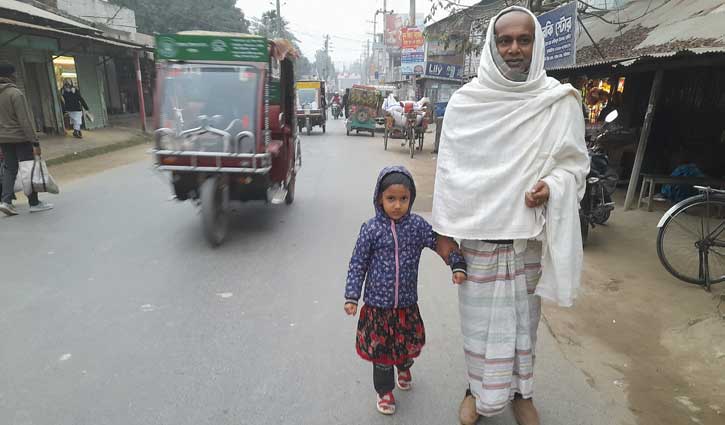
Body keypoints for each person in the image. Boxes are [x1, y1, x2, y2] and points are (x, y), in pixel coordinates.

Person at [431, 7, 589, 425]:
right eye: (505, 40)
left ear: (536, 44)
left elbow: (575, 166)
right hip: (479, 240)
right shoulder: (467, 103)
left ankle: (522, 393)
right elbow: (450, 172)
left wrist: (552, 186)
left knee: (524, 324)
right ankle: (475, 390)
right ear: (493, 45)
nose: (514, 48)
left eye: (524, 40)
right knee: (478, 325)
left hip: (527, 239)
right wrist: (444, 233)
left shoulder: (558, 100)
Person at [344, 166, 467, 416]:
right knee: (382, 353)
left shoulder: (416, 226)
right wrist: (352, 296)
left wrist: (457, 263)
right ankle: (385, 392)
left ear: (410, 199)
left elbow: (439, 241)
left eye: (403, 199)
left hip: (406, 305)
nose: (397, 205)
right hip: (378, 308)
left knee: (404, 346)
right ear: (380, 198)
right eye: (391, 199)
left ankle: (404, 366)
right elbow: (358, 263)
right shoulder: (371, 230)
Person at [0, 63, 54, 216]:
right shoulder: (15, 93)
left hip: (3, 139)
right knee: (28, 169)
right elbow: (25, 120)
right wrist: (34, 140)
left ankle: (6, 202)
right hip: (20, 138)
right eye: (15, 74)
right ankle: (34, 202)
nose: (16, 76)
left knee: (9, 169)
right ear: (10, 76)